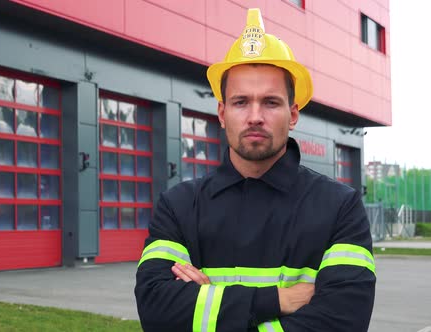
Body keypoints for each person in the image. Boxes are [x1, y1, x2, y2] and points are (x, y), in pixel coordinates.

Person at [134, 8, 376, 332]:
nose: (255, 116)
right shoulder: (178, 206)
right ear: (221, 113)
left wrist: (208, 307)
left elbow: (342, 321)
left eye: (271, 102)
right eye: (240, 102)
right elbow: (156, 311)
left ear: (293, 114)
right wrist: (276, 300)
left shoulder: (339, 208)